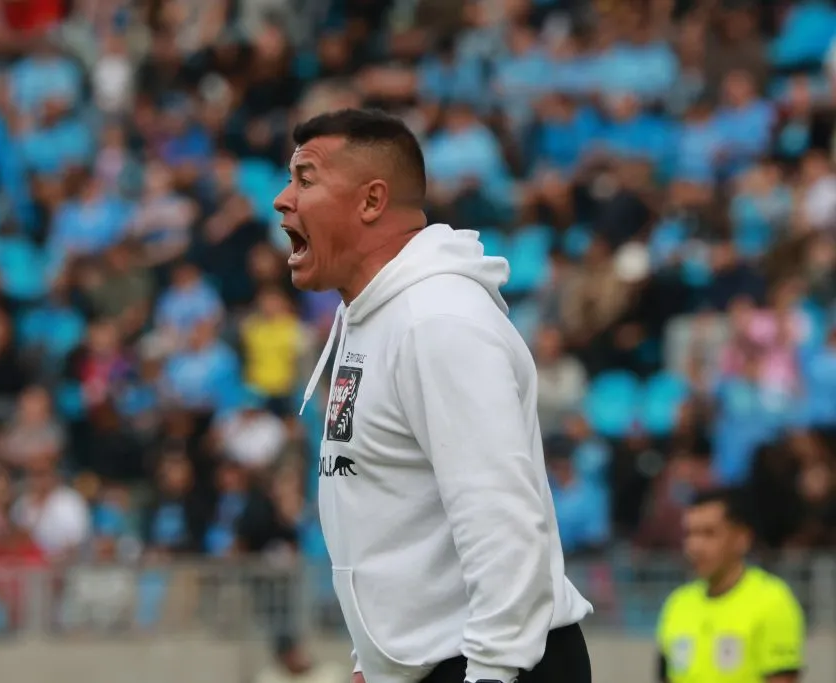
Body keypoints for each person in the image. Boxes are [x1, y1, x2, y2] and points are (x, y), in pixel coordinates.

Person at [273, 106, 592, 683]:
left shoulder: (437, 320)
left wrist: (491, 673)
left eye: (305, 179)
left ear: (371, 201)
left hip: (494, 667)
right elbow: (394, 514)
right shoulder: (376, 316)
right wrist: (375, 663)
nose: (282, 199)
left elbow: (501, 517)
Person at [656, 488, 805, 683]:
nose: (695, 546)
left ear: (741, 539)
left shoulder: (772, 600)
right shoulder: (677, 604)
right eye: (690, 534)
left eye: (709, 533)